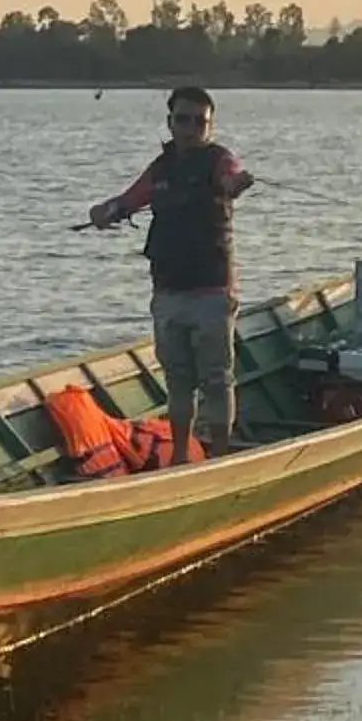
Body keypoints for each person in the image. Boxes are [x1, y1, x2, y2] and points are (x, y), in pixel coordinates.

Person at [90, 85, 253, 460]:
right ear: (170, 122)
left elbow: (231, 179)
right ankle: (180, 457)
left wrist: (236, 185)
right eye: (184, 119)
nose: (192, 127)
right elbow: (129, 200)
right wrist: (104, 211)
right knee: (179, 381)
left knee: (216, 379)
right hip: (168, 292)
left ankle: (221, 457)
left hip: (212, 289)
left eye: (201, 121)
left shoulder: (220, 161)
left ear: (210, 126)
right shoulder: (160, 169)